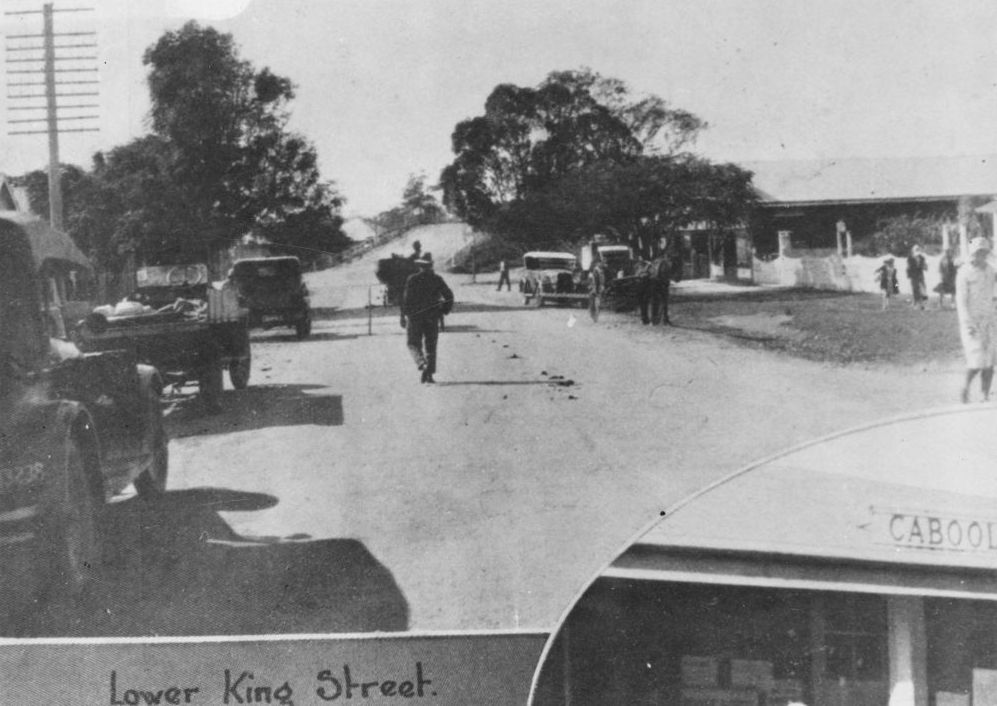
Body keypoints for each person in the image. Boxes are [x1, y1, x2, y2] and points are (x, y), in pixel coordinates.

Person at [401, 252, 454, 384]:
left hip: (415, 317)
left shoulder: (412, 279)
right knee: (431, 346)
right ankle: (429, 374)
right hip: (432, 316)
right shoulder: (437, 279)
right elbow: (449, 296)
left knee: (413, 343)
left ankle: (421, 363)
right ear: (431, 266)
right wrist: (443, 310)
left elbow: (405, 300)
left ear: (419, 266)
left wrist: (403, 315)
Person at [955, 238, 996, 403]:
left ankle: (984, 394)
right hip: (971, 322)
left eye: (984, 252)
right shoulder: (964, 272)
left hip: (989, 320)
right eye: (978, 252)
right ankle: (964, 388)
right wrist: (967, 323)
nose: (981, 255)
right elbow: (961, 301)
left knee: (990, 361)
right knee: (976, 359)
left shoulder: (991, 270)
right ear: (972, 253)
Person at [649, 239, 681, 325]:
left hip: (663, 280)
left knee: (665, 300)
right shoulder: (656, 250)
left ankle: (665, 319)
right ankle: (653, 319)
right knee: (655, 300)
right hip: (654, 280)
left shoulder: (667, 257)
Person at [906, 244, 928, 310]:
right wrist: (909, 275)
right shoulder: (910, 258)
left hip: (920, 276)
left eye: (918, 250)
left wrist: (924, 266)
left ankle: (923, 305)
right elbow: (908, 267)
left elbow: (925, 267)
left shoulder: (922, 258)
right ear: (913, 251)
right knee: (915, 289)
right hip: (914, 276)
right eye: (916, 250)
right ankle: (916, 304)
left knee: (923, 290)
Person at [588, 254, 606, 322]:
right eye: (601, 262)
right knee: (594, 303)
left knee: (596, 304)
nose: (602, 264)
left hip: (598, 288)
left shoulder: (600, 270)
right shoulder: (596, 270)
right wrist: (595, 288)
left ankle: (595, 316)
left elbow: (601, 280)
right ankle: (594, 316)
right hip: (595, 288)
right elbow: (594, 281)